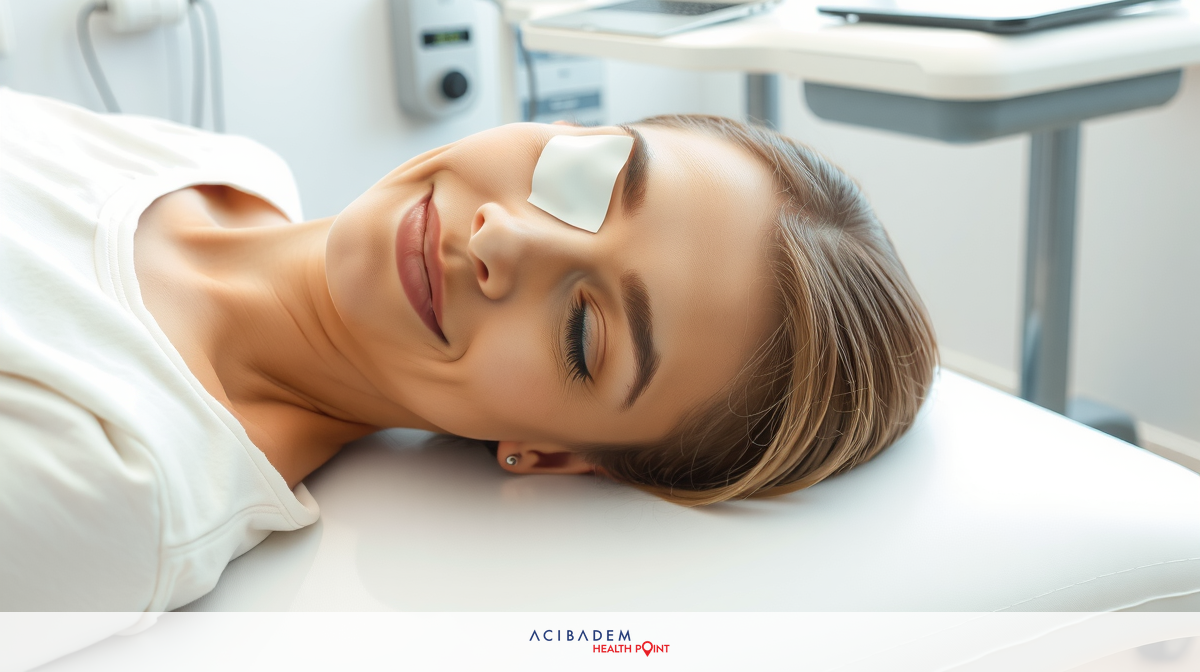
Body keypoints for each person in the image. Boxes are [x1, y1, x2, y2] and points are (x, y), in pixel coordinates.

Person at [0, 88, 936, 611]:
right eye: (588, 176)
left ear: (559, 455)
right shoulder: (228, 164)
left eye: (583, 334)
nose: (503, 240)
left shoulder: (123, 482)